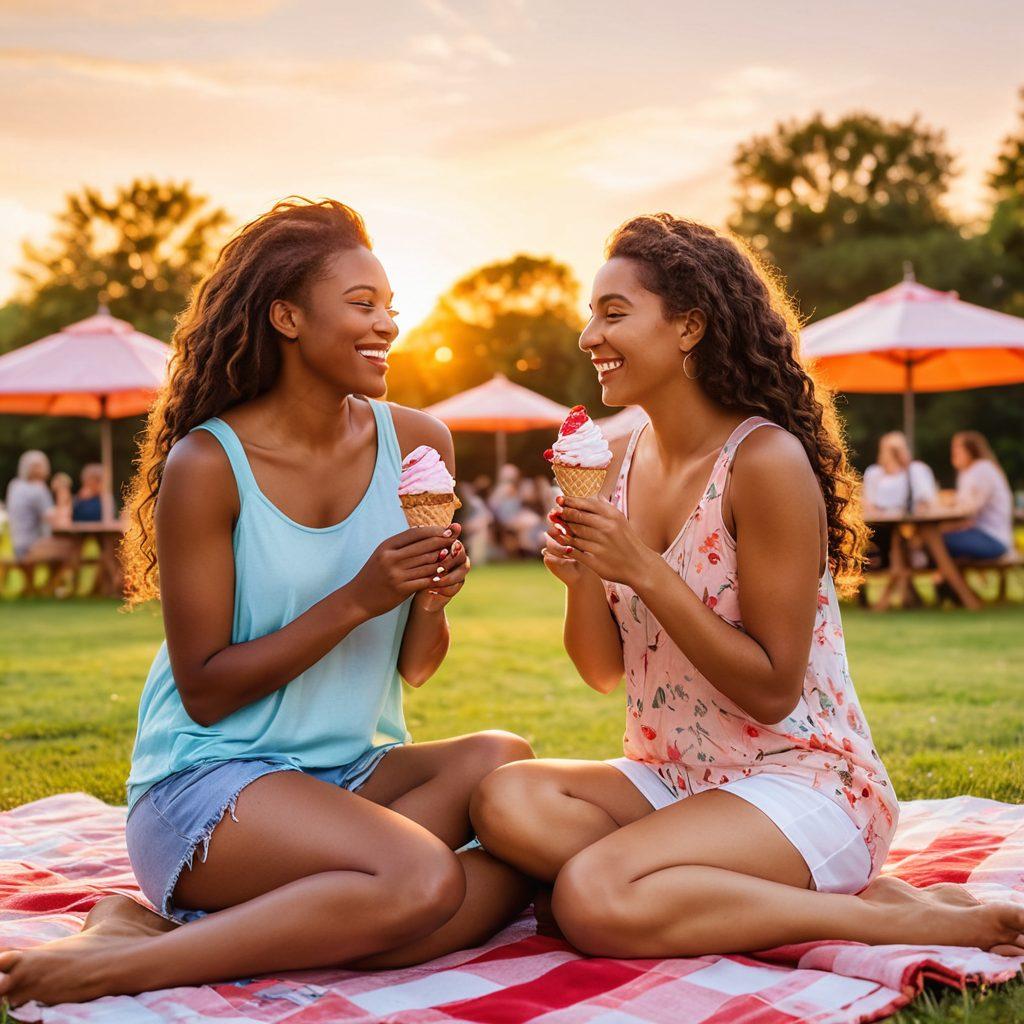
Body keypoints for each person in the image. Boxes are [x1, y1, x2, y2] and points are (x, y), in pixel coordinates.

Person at [0, 199, 534, 1009]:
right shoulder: (208, 463)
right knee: (427, 882)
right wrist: (358, 597)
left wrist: (430, 598)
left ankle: (191, 929)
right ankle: (126, 964)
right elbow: (208, 689)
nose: (386, 324)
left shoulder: (421, 442)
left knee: (508, 766)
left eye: (391, 306)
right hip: (213, 782)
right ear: (286, 315)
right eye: (362, 304)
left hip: (347, 772)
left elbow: (417, 670)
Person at [471, 214, 1024, 958]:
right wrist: (581, 579)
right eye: (590, 314)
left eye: (613, 313)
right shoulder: (616, 456)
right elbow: (603, 673)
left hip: (804, 781)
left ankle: (889, 919)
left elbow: (772, 690)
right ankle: (722, 890)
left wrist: (644, 570)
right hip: (673, 776)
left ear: (690, 326)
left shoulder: (764, 463)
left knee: (591, 898)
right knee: (505, 800)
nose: (587, 337)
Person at [943, 431, 1014, 560]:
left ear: (971, 450)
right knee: (933, 540)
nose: (953, 453)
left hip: (992, 538)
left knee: (934, 541)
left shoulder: (982, 469)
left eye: (957, 448)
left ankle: (948, 580)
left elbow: (968, 512)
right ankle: (943, 579)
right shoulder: (968, 472)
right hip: (981, 535)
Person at [5, 450, 54, 560]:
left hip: (17, 546)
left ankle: (54, 578)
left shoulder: (14, 485)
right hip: (33, 547)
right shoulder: (38, 488)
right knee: (72, 548)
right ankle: (61, 577)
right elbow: (51, 517)